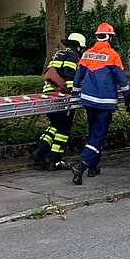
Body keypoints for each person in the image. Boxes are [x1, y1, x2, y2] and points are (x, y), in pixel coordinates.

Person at [70, 23, 130, 187]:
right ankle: (82, 164)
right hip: (105, 102)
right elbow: (122, 79)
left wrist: (75, 94)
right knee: (98, 135)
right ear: (110, 37)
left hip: (88, 100)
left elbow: (78, 76)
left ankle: (93, 166)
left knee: (93, 132)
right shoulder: (112, 55)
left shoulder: (87, 53)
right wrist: (127, 98)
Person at [33, 32, 85, 170]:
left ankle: (40, 149)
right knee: (63, 129)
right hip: (61, 95)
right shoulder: (72, 56)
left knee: (55, 125)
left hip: (48, 93)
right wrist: (72, 92)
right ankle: (54, 159)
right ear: (79, 46)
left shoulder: (58, 54)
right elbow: (69, 73)